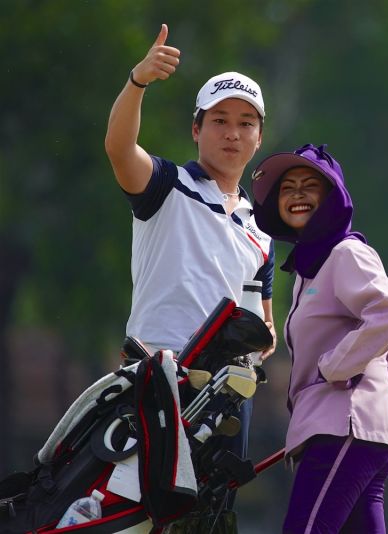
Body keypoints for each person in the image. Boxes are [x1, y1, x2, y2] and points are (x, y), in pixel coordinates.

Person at [104, 23, 276, 504]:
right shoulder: (167, 186)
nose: (233, 133)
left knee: (212, 514)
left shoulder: (261, 227)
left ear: (259, 138)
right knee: (137, 510)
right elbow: (119, 149)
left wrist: (261, 343)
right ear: (196, 129)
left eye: (246, 123)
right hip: (158, 379)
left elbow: (264, 322)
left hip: (226, 395)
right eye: (220, 120)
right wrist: (137, 83)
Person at [251, 143, 388, 534]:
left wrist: (334, 367)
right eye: (287, 187)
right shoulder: (311, 269)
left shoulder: (345, 253)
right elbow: (371, 329)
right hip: (355, 430)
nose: (296, 194)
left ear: (333, 199)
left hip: (343, 427)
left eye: (310, 185)